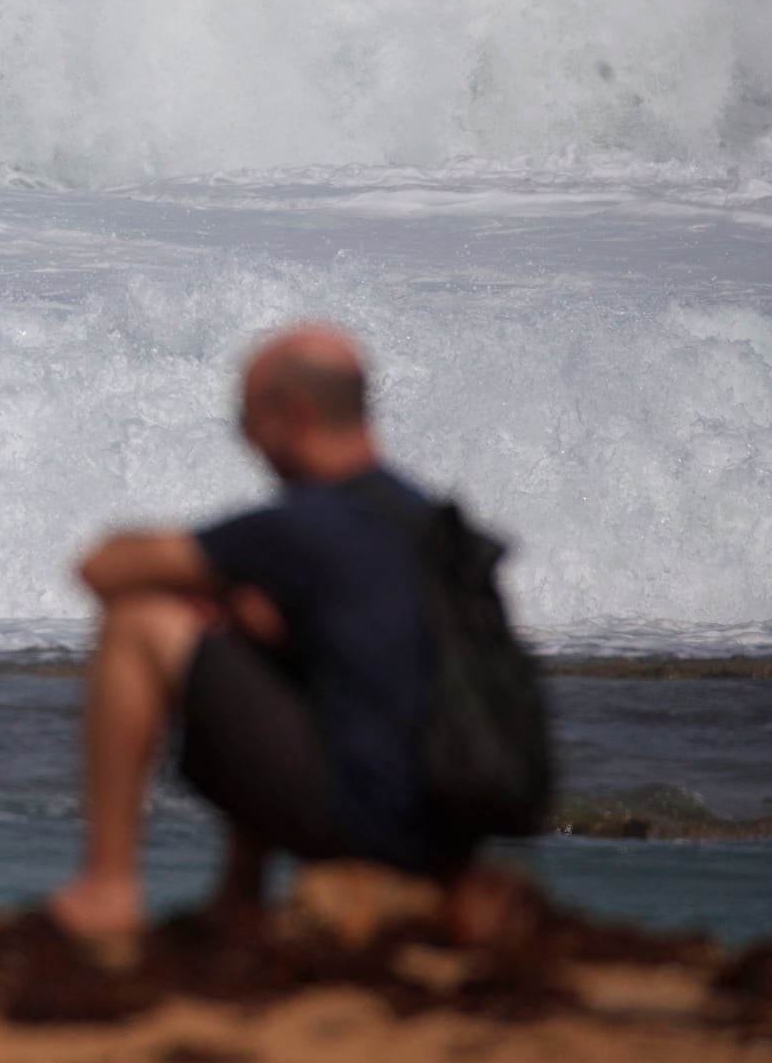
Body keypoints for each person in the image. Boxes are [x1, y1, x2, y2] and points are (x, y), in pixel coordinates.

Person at [49, 323, 476, 940]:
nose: (245, 437)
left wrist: (217, 587)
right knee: (263, 634)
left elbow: (103, 568)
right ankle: (238, 894)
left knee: (140, 617)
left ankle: (108, 887)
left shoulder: (304, 527)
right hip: (450, 825)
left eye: (248, 416)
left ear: (295, 412)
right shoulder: (425, 519)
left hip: (362, 819)